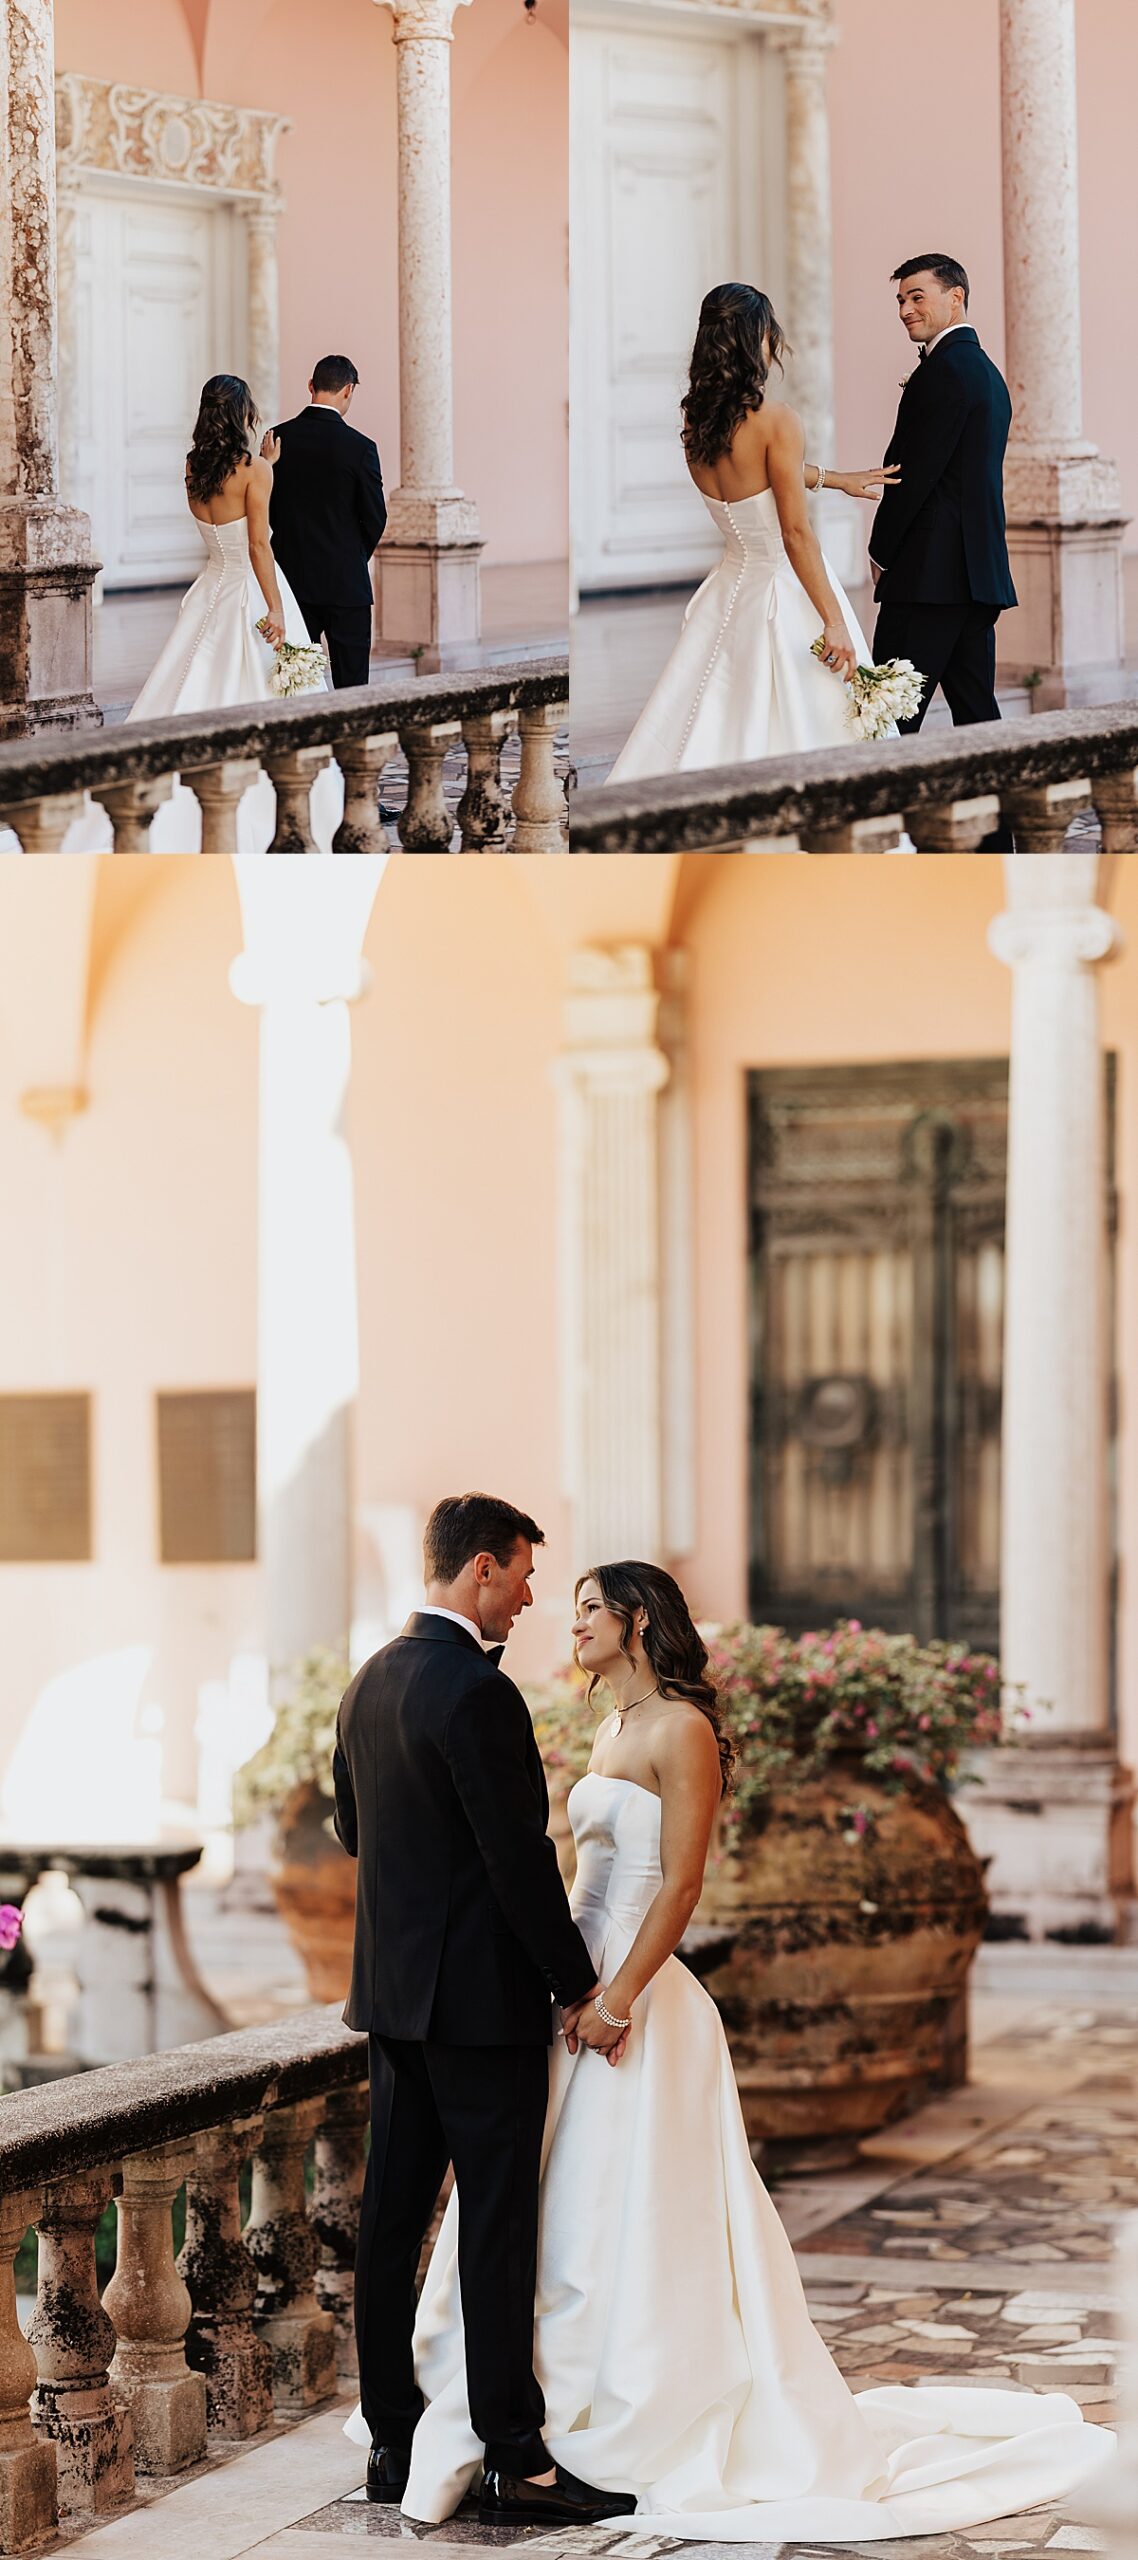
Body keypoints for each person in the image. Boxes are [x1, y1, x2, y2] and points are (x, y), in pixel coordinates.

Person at [349, 1557, 1113, 2540]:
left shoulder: (683, 1728)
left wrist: (614, 1998)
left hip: (632, 1999)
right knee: (556, 2207)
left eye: (588, 1607)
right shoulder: (609, 1724)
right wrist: (566, 1987)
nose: (569, 1621)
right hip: (570, 1991)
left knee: (633, 2202)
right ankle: (526, 2417)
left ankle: (633, 2406)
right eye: (568, 1601)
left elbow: (678, 1884)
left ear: (636, 1621)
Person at [332, 1493, 637, 2532]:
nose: (530, 1594)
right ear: (476, 1572)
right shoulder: (476, 1693)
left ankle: (390, 2438)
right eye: (518, 1574)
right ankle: (516, 2459)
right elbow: (518, 1859)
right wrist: (575, 1981)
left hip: (392, 2004)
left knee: (387, 2224)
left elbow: (352, 1825)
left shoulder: (369, 1680)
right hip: (481, 2009)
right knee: (495, 2232)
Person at [606, 283, 898, 782]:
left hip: (729, 588)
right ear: (756, 340)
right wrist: (834, 621)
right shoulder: (778, 421)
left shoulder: (697, 419)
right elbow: (795, 534)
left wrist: (835, 479)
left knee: (711, 720)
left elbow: (758, 478)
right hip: (785, 594)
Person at [38, 374, 341, 855]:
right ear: (244, 414)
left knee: (187, 685)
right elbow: (259, 545)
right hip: (250, 589)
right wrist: (278, 609)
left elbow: (225, 528)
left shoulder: (193, 466)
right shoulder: (255, 470)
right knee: (267, 692)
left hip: (210, 588)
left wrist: (268, 466)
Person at [870, 254, 1017, 736]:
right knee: (977, 715)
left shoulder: (944, 372)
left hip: (928, 578)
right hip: (975, 578)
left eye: (917, 297)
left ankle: (881, 810)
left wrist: (882, 553)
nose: (905, 310)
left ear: (956, 298)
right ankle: (1002, 807)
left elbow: (912, 477)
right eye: (900, 300)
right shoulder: (985, 373)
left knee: (884, 714)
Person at [266, 355, 387, 689]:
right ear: (348, 390)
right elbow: (376, 518)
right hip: (346, 585)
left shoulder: (277, 439)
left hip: (292, 582)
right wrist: (351, 554)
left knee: (295, 684)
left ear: (311, 386)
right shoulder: (361, 448)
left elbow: (266, 508)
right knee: (352, 686)